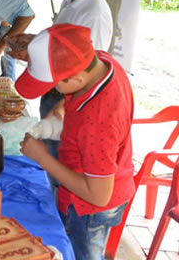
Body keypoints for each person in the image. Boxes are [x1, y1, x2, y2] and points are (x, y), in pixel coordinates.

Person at [17, 24, 134, 260]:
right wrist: (57, 116)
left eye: (54, 85)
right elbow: (75, 95)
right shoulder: (99, 61)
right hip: (104, 179)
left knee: (81, 253)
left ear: (76, 78)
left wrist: (43, 158)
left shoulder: (98, 122)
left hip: (89, 207)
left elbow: (98, 194)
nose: (53, 91)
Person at [8, 0, 113, 119]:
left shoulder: (94, 14)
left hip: (68, 99)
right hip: (55, 87)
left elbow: (87, 72)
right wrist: (34, 42)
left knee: (56, 145)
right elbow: (65, 44)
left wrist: (62, 109)